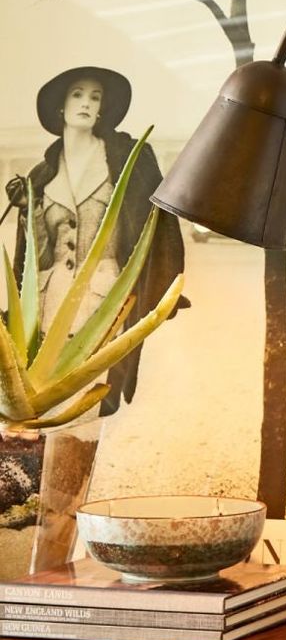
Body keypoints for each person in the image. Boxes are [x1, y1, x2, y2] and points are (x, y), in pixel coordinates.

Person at [6, 66, 188, 416]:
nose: (86, 102)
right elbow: (34, 257)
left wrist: (164, 290)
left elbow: (161, 224)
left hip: (104, 301)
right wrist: (30, 210)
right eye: (77, 94)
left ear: (103, 108)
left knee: (92, 406)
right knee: (44, 410)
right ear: (61, 106)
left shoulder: (127, 161)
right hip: (48, 305)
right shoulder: (41, 175)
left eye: (95, 96)